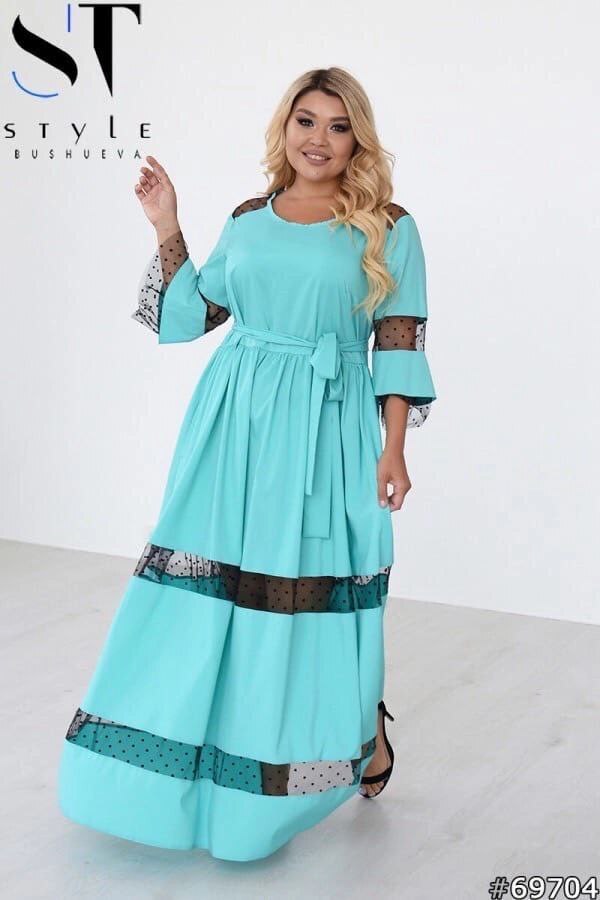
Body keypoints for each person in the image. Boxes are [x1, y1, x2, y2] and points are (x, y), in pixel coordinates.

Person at [57, 66, 436, 862]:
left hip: (327, 425)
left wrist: (395, 445)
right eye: (307, 121)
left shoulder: (387, 226)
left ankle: (357, 735)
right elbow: (196, 313)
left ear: (357, 139)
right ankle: (190, 773)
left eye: (338, 126)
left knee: (321, 588)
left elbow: (398, 340)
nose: (319, 139)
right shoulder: (249, 218)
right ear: (284, 128)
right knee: (215, 591)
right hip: (233, 422)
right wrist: (167, 224)